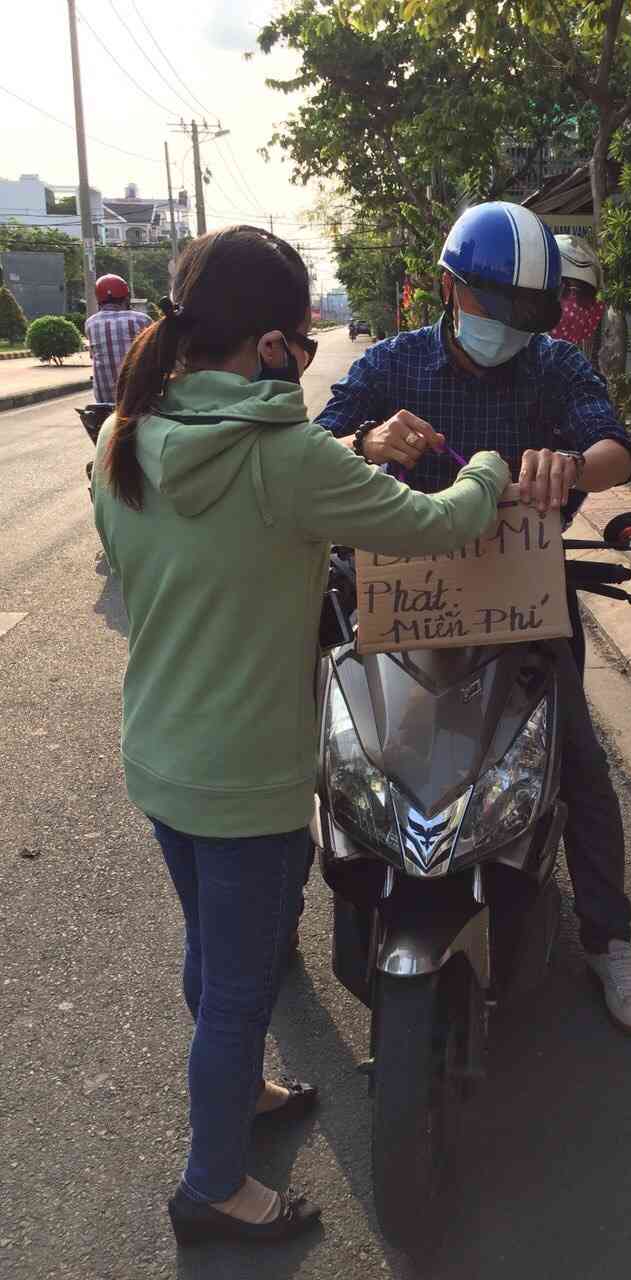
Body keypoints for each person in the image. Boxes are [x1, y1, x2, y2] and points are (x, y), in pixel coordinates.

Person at [92, 225, 510, 1248]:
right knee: (241, 989)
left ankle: (239, 1091)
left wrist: (352, 453)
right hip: (247, 775)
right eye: (303, 342)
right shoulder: (283, 458)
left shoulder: (125, 438)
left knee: (212, 952)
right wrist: (490, 468)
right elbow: (439, 524)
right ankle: (213, 1186)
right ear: (274, 345)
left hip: (160, 752)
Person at [316, 201, 631, 1039]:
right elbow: (316, 446)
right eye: (491, 304)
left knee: (578, 766)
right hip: (399, 602)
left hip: (521, 603)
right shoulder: (393, 364)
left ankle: (608, 939)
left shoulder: (554, 367)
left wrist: (572, 465)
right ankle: (285, 915)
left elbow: (616, 448)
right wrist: (367, 444)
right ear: (449, 289)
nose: (506, 326)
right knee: (332, 750)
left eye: (525, 312)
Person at [84, 274, 151, 404]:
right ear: (126, 297)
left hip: (104, 401)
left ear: (99, 300)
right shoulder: (142, 319)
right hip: (138, 400)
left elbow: (93, 355)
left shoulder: (91, 323)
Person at [551, 234, 605, 358]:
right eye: (562, 289)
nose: (571, 309)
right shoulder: (517, 357)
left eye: (584, 293)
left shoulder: (579, 367)